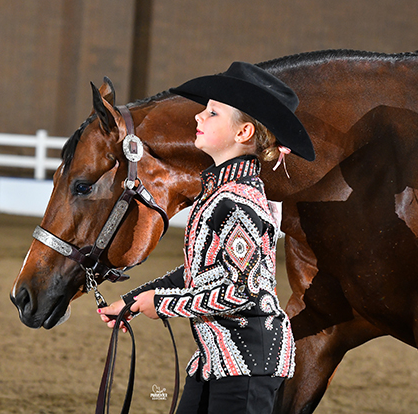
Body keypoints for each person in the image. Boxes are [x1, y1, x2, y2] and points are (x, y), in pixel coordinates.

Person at [98, 61, 315, 414]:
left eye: (213, 113)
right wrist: (134, 300)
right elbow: (201, 272)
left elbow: (241, 291)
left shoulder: (237, 201)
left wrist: (162, 304)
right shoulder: (221, 193)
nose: (198, 117)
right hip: (219, 361)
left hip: (248, 366)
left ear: (243, 133)